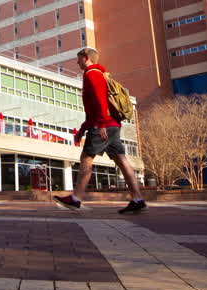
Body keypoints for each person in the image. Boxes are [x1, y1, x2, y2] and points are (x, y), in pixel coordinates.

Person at [53, 47, 147, 214]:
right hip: (112, 124)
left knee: (86, 158)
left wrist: (102, 123)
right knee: (121, 160)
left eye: (79, 58)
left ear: (86, 57)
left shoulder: (92, 74)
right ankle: (137, 198)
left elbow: (100, 99)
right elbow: (93, 107)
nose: (77, 62)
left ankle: (76, 199)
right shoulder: (98, 74)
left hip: (103, 125)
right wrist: (82, 130)